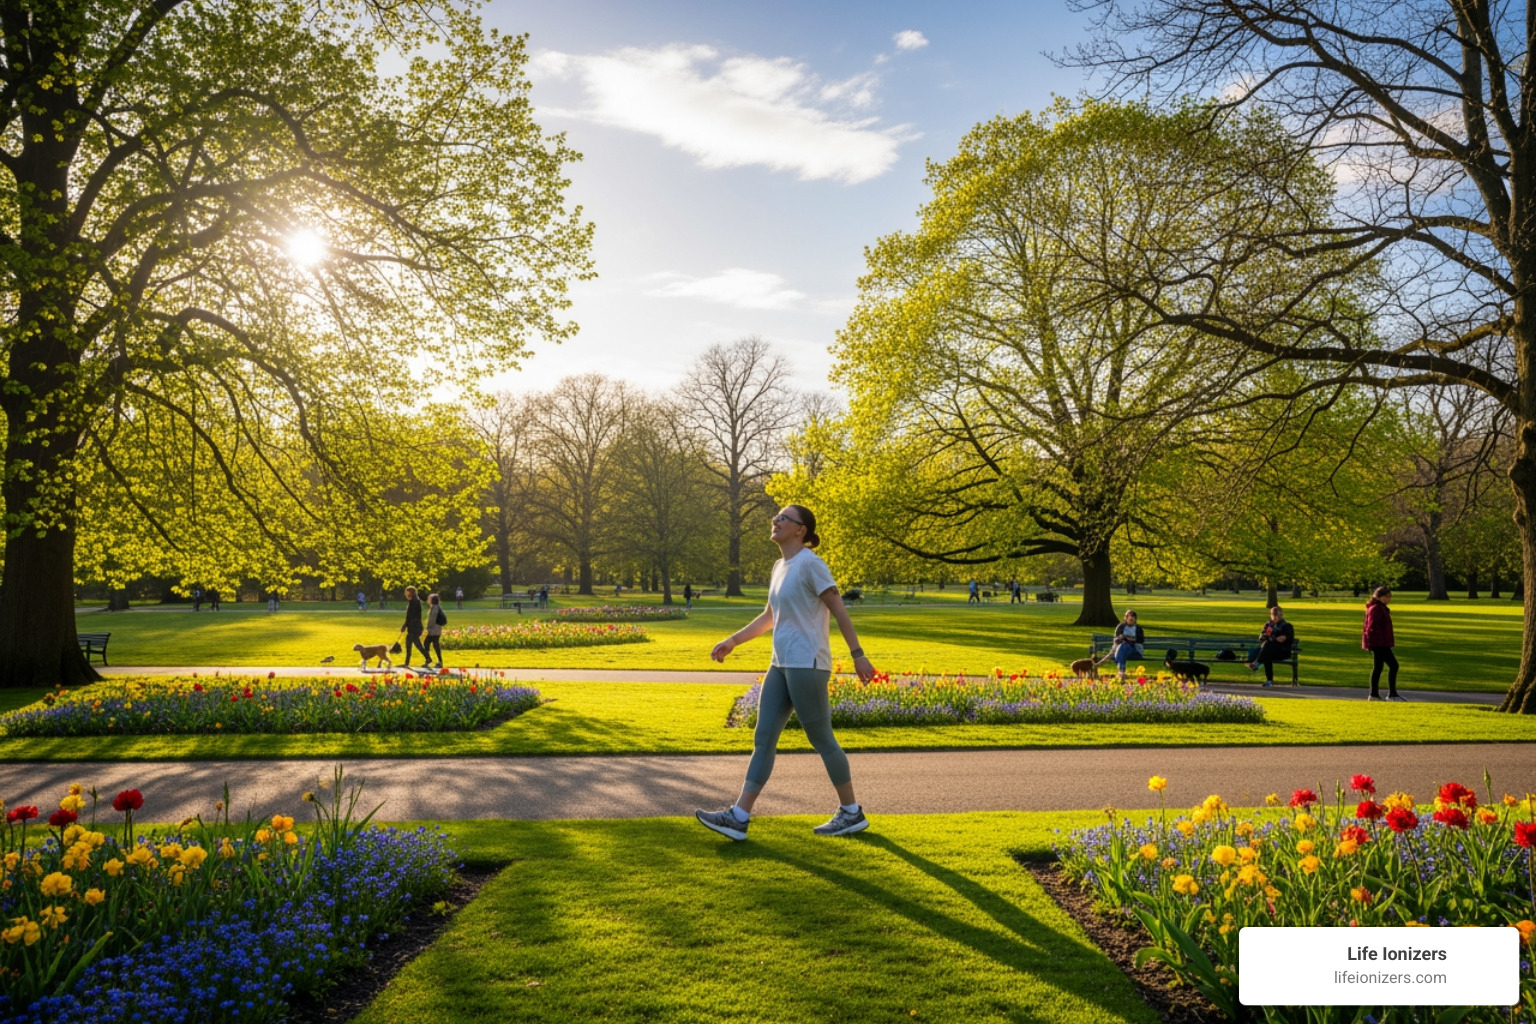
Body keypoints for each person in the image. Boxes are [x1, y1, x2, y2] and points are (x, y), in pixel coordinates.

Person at [695, 503, 874, 841]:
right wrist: (733, 641)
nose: (775, 520)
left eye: (783, 518)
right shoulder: (780, 566)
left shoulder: (811, 564)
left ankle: (851, 812)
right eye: (776, 516)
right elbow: (770, 616)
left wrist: (858, 655)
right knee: (763, 739)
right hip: (780, 663)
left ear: (800, 530)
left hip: (808, 663)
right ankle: (739, 817)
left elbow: (839, 610)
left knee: (822, 739)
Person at [1362, 586, 1404, 701]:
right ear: (1379, 596)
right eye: (1387, 596)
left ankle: (1374, 694)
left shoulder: (1380, 608)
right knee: (1393, 665)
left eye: (1390, 596)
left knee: (1378, 668)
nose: (1389, 599)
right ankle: (1392, 694)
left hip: (1380, 642)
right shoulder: (1377, 609)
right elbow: (1371, 627)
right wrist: (1373, 642)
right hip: (1379, 643)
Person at [1247, 605, 1295, 688]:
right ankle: (1269, 681)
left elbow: (1282, 639)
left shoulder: (1287, 626)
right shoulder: (1268, 625)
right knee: (1267, 653)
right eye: (1273, 615)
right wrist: (1263, 636)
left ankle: (1257, 663)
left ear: (1281, 615)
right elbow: (1262, 636)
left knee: (1268, 646)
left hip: (1282, 651)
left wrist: (1272, 638)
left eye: (1277, 615)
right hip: (1268, 651)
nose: (1275, 617)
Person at [1110, 609, 1145, 681]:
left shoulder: (1138, 628)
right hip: (1122, 650)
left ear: (1135, 619)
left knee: (1124, 648)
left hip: (1135, 651)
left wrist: (1131, 639)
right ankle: (1122, 672)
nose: (1131, 619)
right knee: (1124, 646)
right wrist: (1122, 638)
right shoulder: (1121, 627)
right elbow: (1116, 639)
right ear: (1126, 618)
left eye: (1133, 618)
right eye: (1129, 618)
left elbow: (1141, 640)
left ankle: (1121, 671)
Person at [401, 586, 429, 668]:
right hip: (413, 627)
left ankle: (407, 663)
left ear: (411, 593)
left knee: (415, 644)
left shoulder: (414, 602)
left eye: (407, 593)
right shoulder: (413, 601)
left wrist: (405, 625)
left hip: (415, 627)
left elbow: (411, 616)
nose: (406, 594)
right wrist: (406, 625)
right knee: (411, 644)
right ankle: (407, 663)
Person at [424, 592, 446, 668]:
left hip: (434, 630)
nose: (428, 600)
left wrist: (428, 628)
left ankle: (431, 660)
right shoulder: (436, 607)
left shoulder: (435, 608)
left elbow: (432, 620)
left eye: (429, 599)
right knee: (432, 645)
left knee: (430, 644)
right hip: (436, 630)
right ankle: (431, 660)